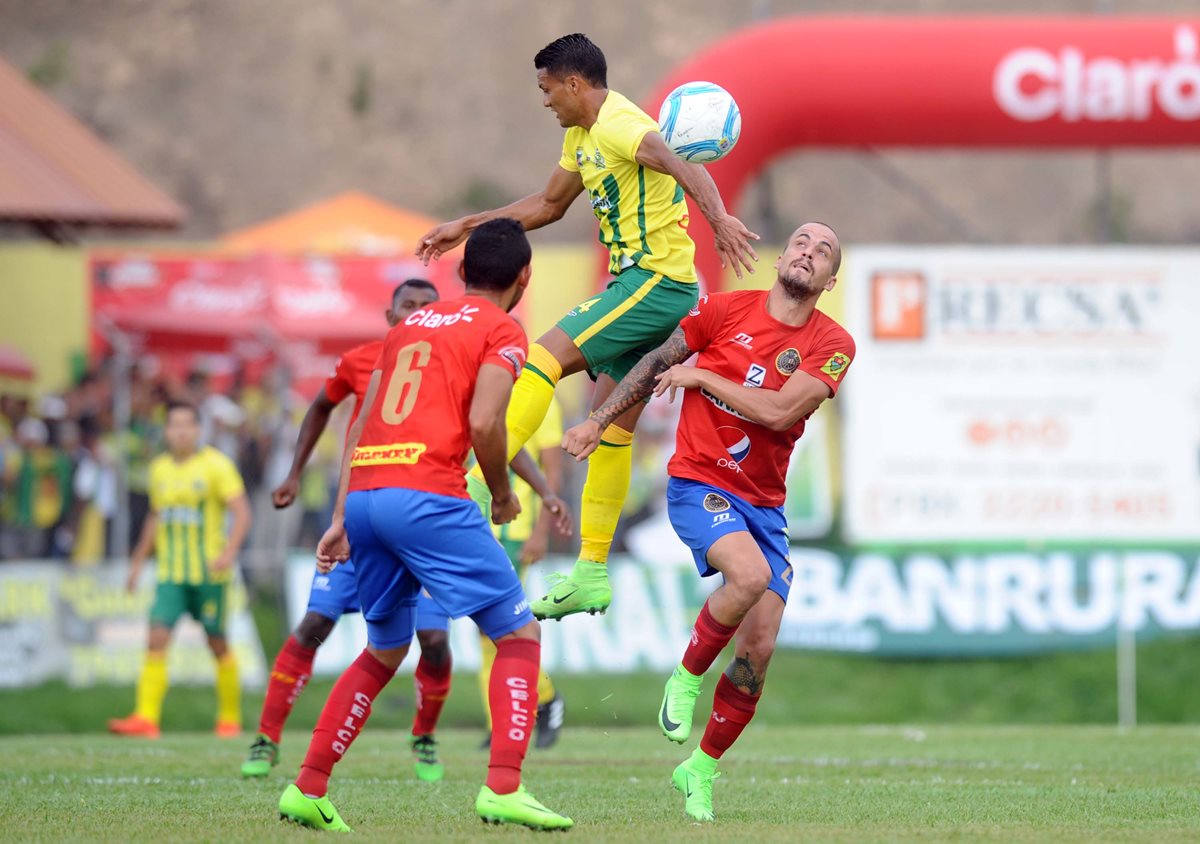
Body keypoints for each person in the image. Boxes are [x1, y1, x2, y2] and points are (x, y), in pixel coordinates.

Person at [418, 32, 758, 622]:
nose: (545, 102)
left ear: (575, 84)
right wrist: (468, 224)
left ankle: (470, 492)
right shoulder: (582, 136)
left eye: (548, 90)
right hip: (643, 288)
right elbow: (547, 207)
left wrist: (721, 221)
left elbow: (682, 167)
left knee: (541, 359)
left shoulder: (622, 124)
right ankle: (593, 573)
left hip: (654, 285)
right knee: (613, 430)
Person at [278, 218, 573, 832]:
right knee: (517, 637)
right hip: (428, 497)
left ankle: (308, 787)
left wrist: (342, 516)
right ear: (524, 278)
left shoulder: (407, 325)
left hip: (367, 496)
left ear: (461, 273)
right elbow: (488, 424)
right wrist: (499, 494)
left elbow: (361, 426)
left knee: (384, 650)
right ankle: (504, 787)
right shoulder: (503, 328)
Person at [563, 223, 855, 822]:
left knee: (760, 649)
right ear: (782, 257)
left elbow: (777, 412)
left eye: (823, 250)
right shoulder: (722, 310)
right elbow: (655, 361)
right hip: (700, 481)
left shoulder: (835, 343)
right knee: (745, 578)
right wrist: (600, 420)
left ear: (830, 279)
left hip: (764, 506)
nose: (808, 252)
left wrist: (701, 376)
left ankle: (700, 767)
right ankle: (685, 678)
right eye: (801, 241)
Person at [108, 400, 253, 739]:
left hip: (209, 574)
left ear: (199, 430)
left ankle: (229, 719)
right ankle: (146, 718)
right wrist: (137, 562)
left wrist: (229, 552)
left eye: (188, 424)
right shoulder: (159, 468)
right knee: (156, 637)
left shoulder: (217, 466)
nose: (181, 431)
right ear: (166, 430)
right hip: (171, 574)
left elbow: (242, 511)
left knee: (217, 643)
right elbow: (156, 517)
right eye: (174, 425)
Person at [477, 395, 566, 750]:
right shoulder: (477, 390)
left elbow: (553, 468)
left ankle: (527, 710)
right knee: (487, 632)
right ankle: (515, 714)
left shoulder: (540, 397)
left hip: (514, 532)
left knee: (501, 629)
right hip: (476, 526)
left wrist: (541, 531)